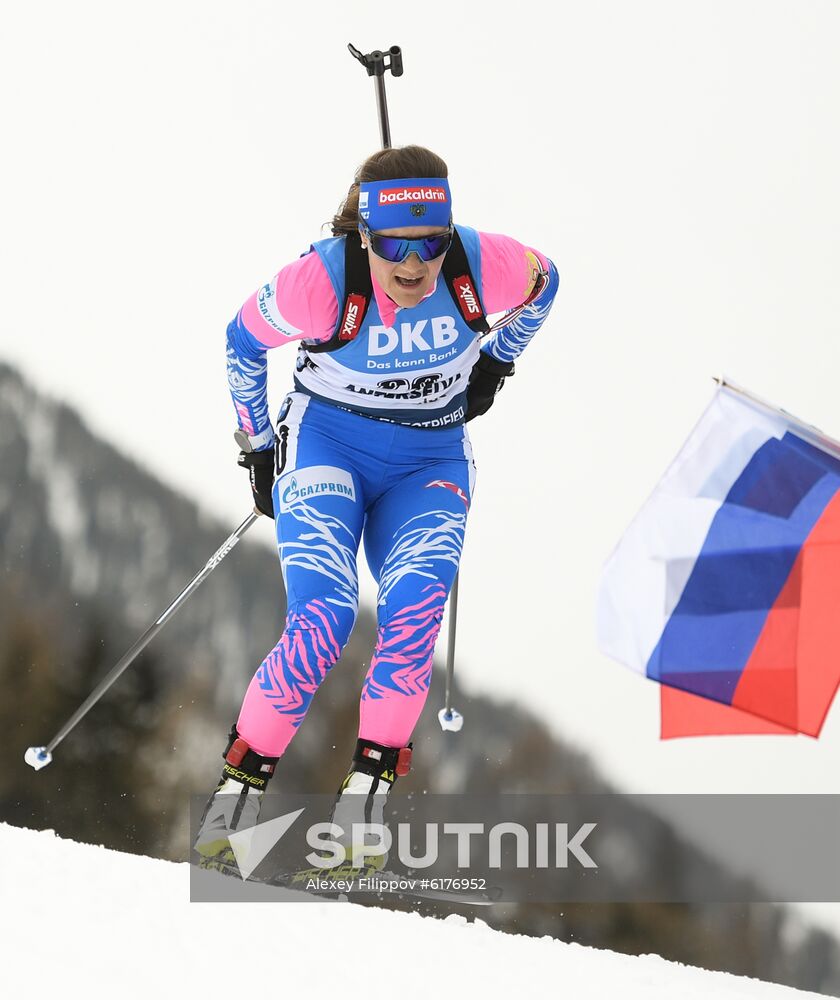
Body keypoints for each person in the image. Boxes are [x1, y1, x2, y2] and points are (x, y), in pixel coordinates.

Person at [195, 144, 558, 870]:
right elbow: (241, 341)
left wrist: (498, 359)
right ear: (365, 234)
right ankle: (235, 803)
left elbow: (547, 281)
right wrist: (258, 445)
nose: (415, 264)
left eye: (431, 242)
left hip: (429, 462)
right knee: (325, 618)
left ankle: (363, 808)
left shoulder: (484, 265)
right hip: (330, 449)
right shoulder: (322, 281)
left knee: (416, 609)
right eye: (394, 243)